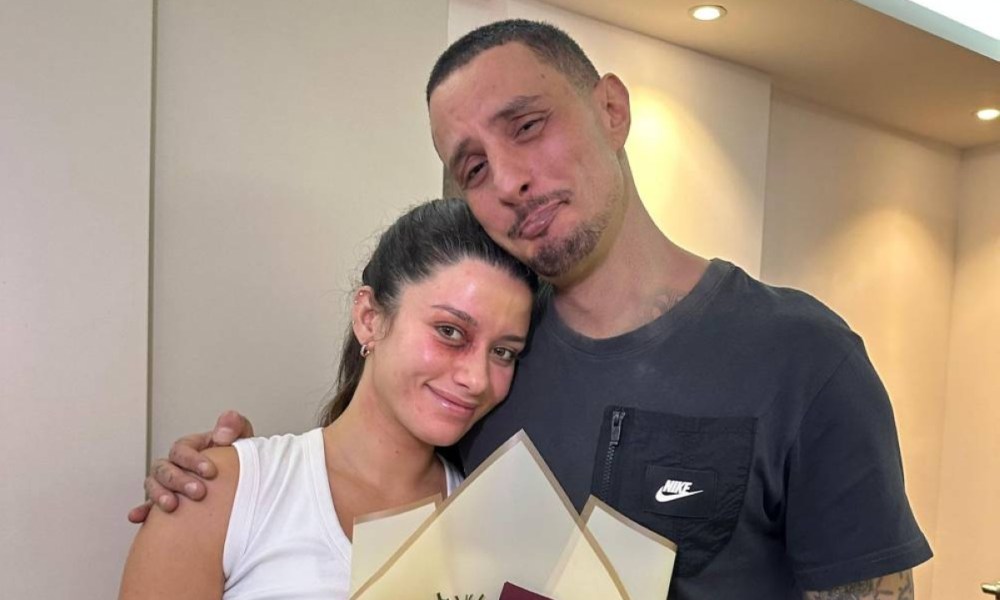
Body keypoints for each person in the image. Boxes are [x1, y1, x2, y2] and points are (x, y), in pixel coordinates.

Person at [132, 20, 931, 599]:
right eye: (473, 167)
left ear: (611, 109)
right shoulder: (484, 378)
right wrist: (226, 480)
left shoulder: (805, 359)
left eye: (528, 125)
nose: (510, 178)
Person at [118, 198, 536, 598]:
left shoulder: (489, 525)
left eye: (503, 352)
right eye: (450, 332)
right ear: (369, 318)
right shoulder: (222, 492)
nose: (476, 379)